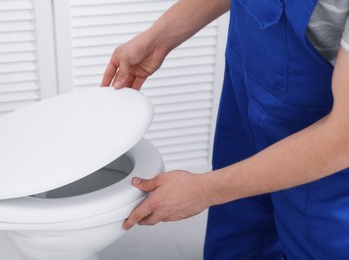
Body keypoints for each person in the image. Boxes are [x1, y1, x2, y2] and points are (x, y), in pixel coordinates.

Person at [101, 0, 349, 259]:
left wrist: (203, 191)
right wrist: (159, 37)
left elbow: (343, 137)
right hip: (245, 99)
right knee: (235, 241)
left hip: (321, 156)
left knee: (311, 246)